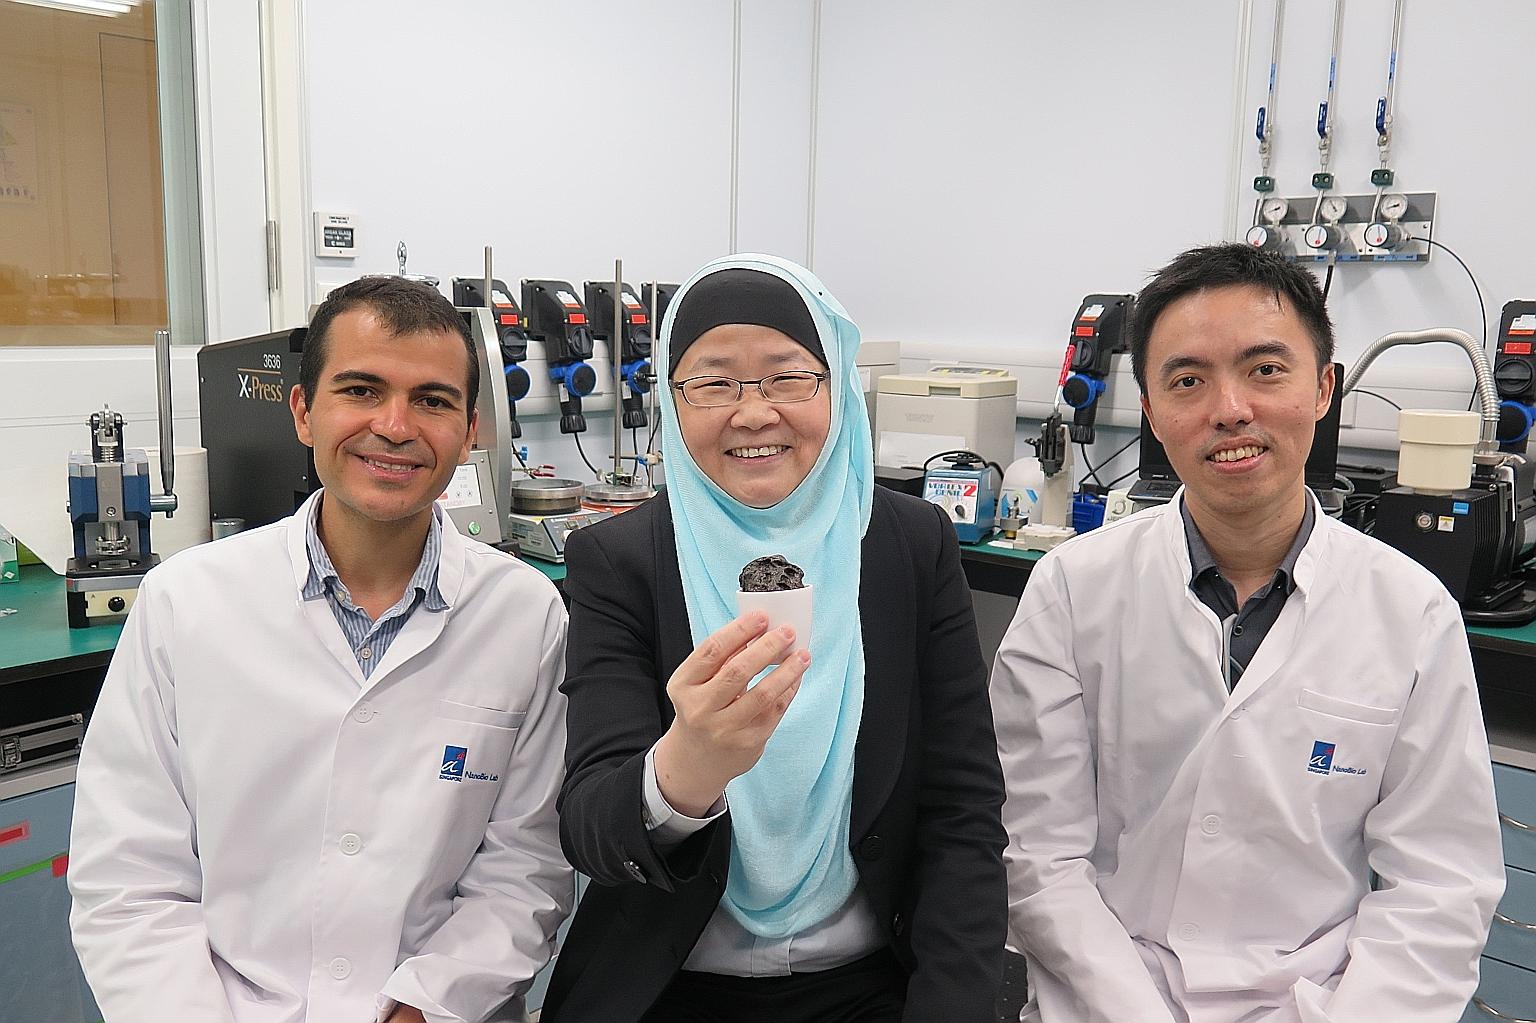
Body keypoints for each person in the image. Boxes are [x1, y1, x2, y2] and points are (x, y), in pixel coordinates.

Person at [990, 242, 1504, 1023]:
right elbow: (1039, 854)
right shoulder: (1071, 588)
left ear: (1324, 387)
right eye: (1188, 380)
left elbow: (1440, 885)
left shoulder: (1412, 612)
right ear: (1152, 412)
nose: (1229, 409)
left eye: (1265, 369)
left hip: (1320, 999)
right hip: (1108, 994)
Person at [68, 276, 572, 1023]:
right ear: (303, 412)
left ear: (470, 432)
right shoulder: (184, 602)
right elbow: (129, 878)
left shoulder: (524, 614)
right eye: (361, 390)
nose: (394, 426)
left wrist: (425, 1005)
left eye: (432, 401)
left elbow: (525, 869)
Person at [540, 254, 1007, 1023]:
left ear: (837, 385)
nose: (754, 413)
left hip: (868, 982)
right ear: (671, 399)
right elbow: (590, 827)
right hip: (667, 984)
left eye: (789, 378)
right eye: (713, 383)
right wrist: (683, 771)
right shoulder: (620, 560)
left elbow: (962, 808)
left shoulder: (909, 544)